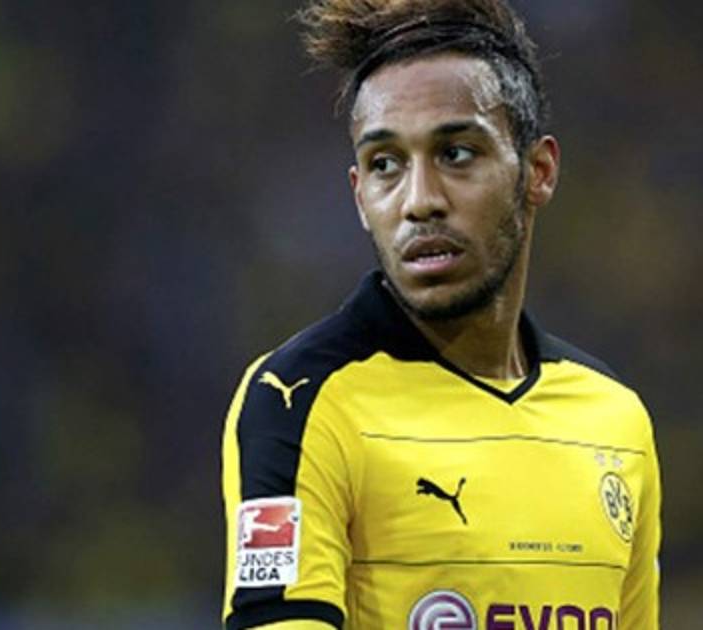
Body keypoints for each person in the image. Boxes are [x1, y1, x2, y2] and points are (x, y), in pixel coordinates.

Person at [220, 1, 662, 628]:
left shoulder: (615, 420)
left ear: (537, 172)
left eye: (455, 154)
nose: (419, 201)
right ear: (359, 196)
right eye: (385, 165)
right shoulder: (298, 399)